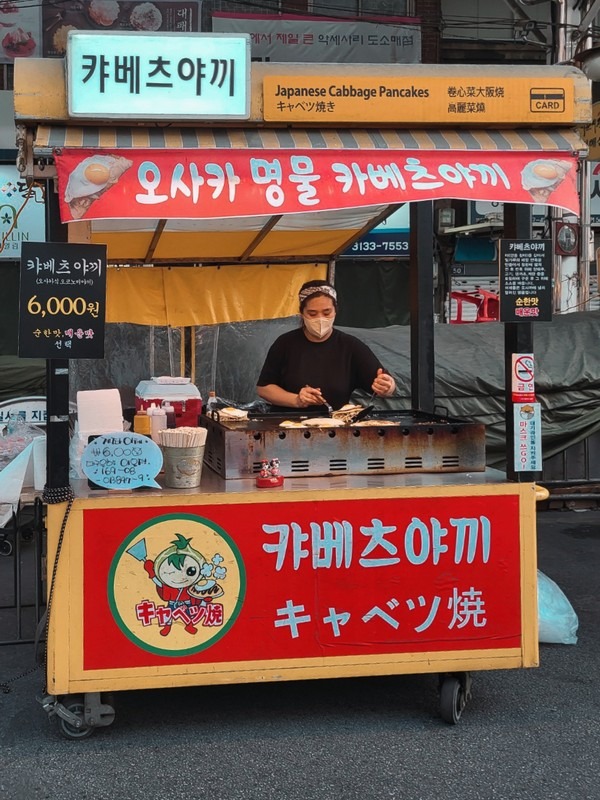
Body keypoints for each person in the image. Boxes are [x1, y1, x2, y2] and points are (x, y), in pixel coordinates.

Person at [256, 280, 396, 412]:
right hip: (288, 426)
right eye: (312, 313)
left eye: (326, 312)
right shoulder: (285, 344)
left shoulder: (351, 346)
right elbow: (264, 388)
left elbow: (382, 383)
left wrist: (387, 386)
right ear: (302, 313)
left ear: (335, 311)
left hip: (337, 426)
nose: (320, 319)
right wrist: (297, 400)